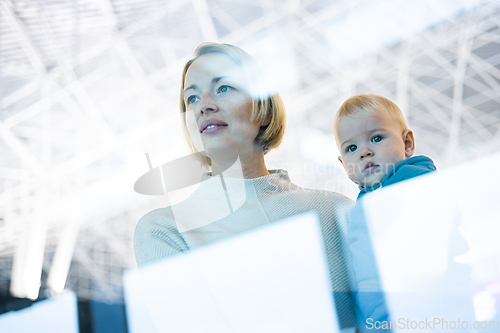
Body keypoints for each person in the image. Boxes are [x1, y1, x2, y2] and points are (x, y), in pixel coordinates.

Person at [134, 42, 357, 328]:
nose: (203, 106)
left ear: (263, 109)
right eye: (191, 99)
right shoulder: (164, 230)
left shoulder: (335, 211)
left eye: (223, 88)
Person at [333, 94, 438, 324]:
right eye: (351, 147)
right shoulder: (367, 201)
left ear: (407, 143)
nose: (364, 152)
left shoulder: (414, 183)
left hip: (419, 307)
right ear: (343, 164)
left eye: (377, 138)